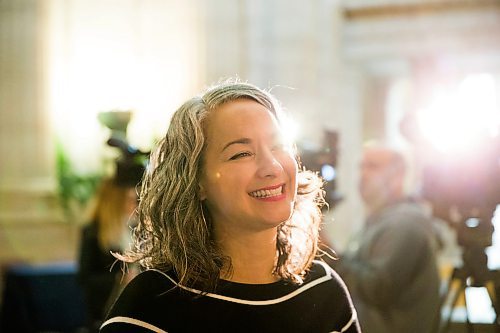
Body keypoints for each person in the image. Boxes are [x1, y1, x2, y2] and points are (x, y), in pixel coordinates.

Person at [100, 81, 361, 332]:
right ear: (196, 181)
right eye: (241, 154)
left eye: (278, 145)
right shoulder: (152, 307)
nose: (272, 167)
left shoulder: (323, 290)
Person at [335, 143, 441, 333]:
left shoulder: (405, 224)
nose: (363, 174)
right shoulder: (377, 220)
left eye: (373, 166)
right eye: (362, 166)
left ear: (397, 177)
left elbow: (377, 288)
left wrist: (329, 254)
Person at [78, 177, 139, 332]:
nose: (135, 206)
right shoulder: (93, 232)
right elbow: (85, 277)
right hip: (106, 310)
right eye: (130, 200)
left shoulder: (136, 229)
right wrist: (119, 278)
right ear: (115, 202)